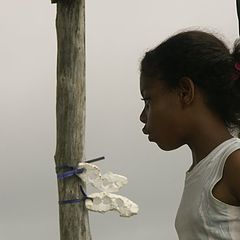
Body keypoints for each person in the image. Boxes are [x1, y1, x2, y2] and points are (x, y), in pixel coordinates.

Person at [139, 30, 240, 239]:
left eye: (148, 101)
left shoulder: (233, 162)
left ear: (185, 92)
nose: (142, 117)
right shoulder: (202, 171)